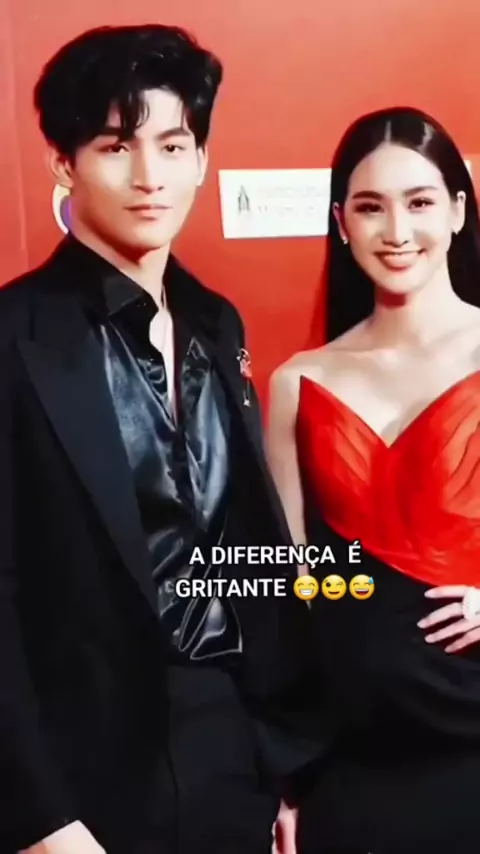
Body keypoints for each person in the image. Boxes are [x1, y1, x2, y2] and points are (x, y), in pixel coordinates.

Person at [0, 24, 317, 854]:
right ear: (62, 163)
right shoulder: (13, 334)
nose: (150, 177)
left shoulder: (218, 324)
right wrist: (38, 816)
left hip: (230, 753)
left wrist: (280, 765)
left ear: (202, 159)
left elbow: (245, 544)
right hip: (82, 779)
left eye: (173, 146)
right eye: (116, 146)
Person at [266, 106, 480, 854]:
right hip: (354, 764)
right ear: (341, 223)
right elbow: (286, 594)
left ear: (457, 211)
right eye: (369, 207)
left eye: (419, 202)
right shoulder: (297, 383)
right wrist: (285, 776)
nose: (396, 230)